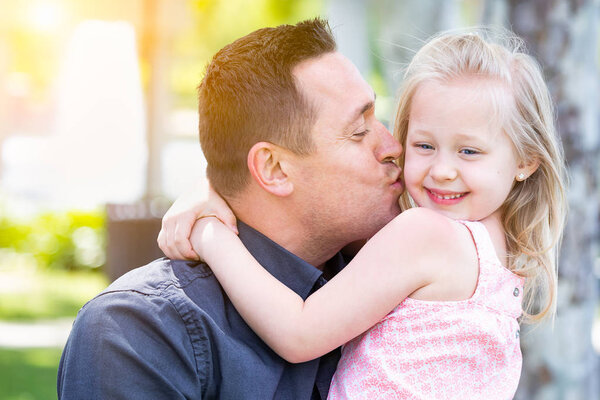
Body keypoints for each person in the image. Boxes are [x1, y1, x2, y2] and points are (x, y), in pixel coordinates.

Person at [162, 30, 568, 399]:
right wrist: (216, 184)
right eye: (424, 146)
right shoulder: (501, 252)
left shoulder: (426, 235)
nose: (442, 170)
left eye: (469, 151)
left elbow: (299, 332)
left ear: (526, 161)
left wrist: (211, 233)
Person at [57, 18, 404, 399]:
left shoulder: (409, 280)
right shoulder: (140, 331)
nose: (393, 147)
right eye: (359, 131)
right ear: (273, 169)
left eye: (379, 118)